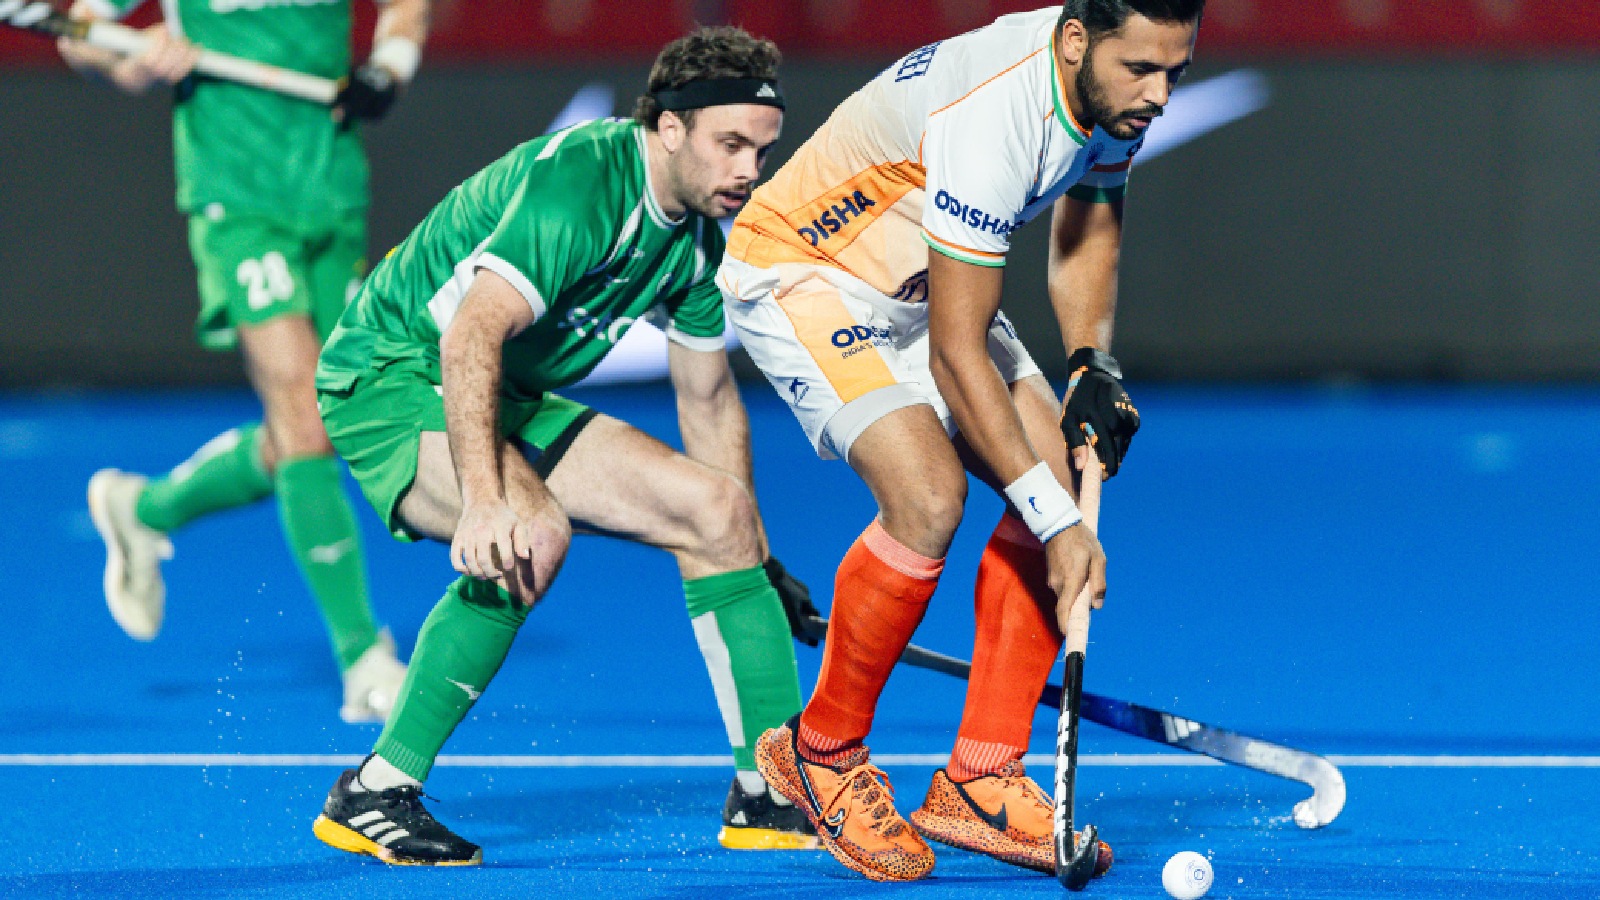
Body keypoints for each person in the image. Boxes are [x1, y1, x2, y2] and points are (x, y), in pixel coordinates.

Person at [306, 27, 817, 866]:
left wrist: (752, 562)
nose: (747, 173)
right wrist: (484, 498)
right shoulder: (584, 182)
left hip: (497, 387)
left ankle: (766, 793)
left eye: (761, 152)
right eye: (730, 146)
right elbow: (470, 335)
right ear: (670, 128)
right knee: (528, 533)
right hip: (391, 373)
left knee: (716, 511)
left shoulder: (696, 241)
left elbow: (709, 395)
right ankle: (375, 791)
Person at [717, 0, 1202, 882]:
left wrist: (1093, 361)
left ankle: (980, 777)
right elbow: (954, 352)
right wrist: (1059, 528)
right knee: (929, 494)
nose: (1161, 95)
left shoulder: (1110, 90)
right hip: (807, 273)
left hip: (919, 282)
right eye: (1144, 71)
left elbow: (1089, 216)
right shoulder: (995, 113)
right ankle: (820, 751)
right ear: (1077, 41)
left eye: (1178, 70)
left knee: (1054, 467)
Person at [63, 0, 430, 722]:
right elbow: (80, 31)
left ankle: (144, 508)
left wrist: (388, 68)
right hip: (234, 195)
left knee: (329, 419)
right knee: (301, 409)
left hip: (331, 189)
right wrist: (131, 57)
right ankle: (364, 658)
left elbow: (407, 9)